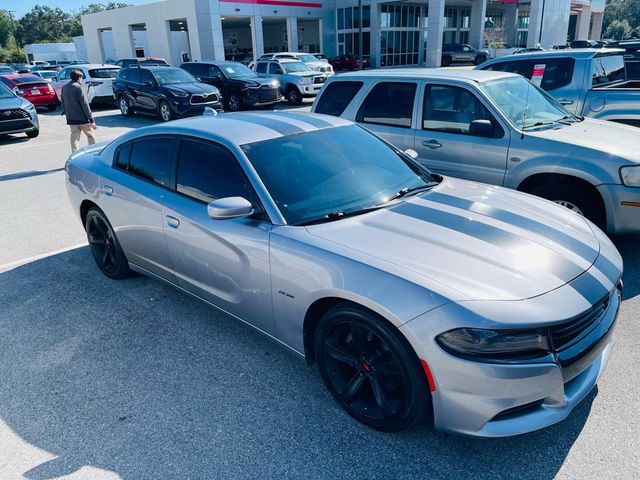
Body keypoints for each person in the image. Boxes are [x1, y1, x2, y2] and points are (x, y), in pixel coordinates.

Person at [60, 69, 96, 152]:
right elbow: (85, 104)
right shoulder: (79, 87)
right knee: (90, 135)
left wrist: (65, 112)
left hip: (71, 117)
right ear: (79, 77)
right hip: (82, 118)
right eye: (81, 78)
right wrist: (91, 119)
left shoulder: (65, 87)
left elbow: (63, 101)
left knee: (75, 135)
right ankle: (93, 151)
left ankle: (74, 152)